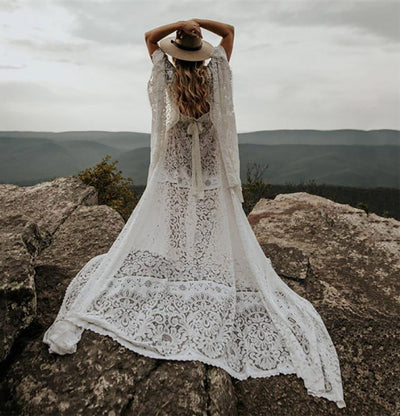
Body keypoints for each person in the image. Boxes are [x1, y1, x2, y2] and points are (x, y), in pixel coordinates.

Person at [43, 19, 346, 409]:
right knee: (209, 209)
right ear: (201, 50)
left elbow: (149, 38)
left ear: (175, 52)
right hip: (207, 151)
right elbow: (231, 31)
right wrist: (200, 25)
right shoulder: (215, 72)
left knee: (172, 207)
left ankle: (178, 258)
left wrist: (178, 29)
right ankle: (199, 260)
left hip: (177, 149)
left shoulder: (167, 74)